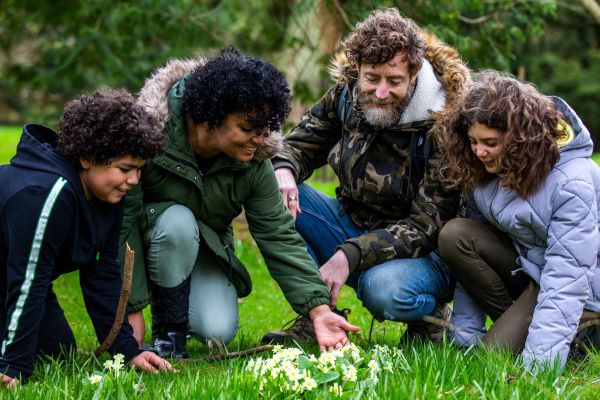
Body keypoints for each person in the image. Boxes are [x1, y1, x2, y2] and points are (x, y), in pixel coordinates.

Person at [119, 47, 358, 359]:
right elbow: (124, 224)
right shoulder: (150, 134)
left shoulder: (255, 159)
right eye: (247, 129)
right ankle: (168, 333)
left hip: (204, 249)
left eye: (264, 128)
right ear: (209, 118)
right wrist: (132, 309)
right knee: (177, 222)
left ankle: (182, 304)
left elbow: (278, 235)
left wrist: (319, 310)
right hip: (153, 241)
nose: (258, 139)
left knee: (217, 330)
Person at [261, 8, 470, 345]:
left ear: (415, 73)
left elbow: (426, 226)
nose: (381, 92)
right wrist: (283, 169)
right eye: (372, 78)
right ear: (358, 69)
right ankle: (317, 314)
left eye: (394, 81)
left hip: (421, 253)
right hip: (350, 222)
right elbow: (299, 143)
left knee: (381, 290)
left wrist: (349, 255)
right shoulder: (346, 94)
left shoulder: (444, 121)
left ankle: (431, 320)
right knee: (270, 190)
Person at [0, 89, 172, 387]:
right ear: (87, 158)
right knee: (22, 353)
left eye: (139, 170)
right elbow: (29, 282)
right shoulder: (48, 195)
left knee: (58, 351)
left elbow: (102, 277)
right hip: (15, 279)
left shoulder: (108, 197)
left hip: (9, 279)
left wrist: (127, 352)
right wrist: (13, 366)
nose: (133, 181)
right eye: (125, 169)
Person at [436, 71, 600, 373]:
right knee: (455, 234)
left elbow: (567, 278)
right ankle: (519, 330)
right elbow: (468, 263)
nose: (479, 151)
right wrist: (464, 337)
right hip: (530, 272)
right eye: (472, 141)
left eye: (490, 143)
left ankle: (577, 340)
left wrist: (538, 367)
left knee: (492, 359)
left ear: (519, 140)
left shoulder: (572, 183)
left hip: (583, 291)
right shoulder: (483, 169)